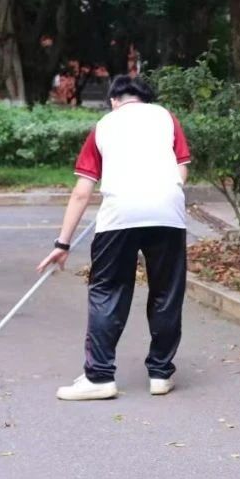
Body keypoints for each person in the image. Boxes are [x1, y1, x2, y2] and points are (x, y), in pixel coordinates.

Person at [37, 75, 191, 401]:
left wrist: (62, 244)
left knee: (107, 291)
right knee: (166, 291)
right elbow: (181, 169)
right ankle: (161, 374)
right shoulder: (166, 118)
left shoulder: (104, 125)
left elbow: (82, 191)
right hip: (168, 212)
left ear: (113, 100)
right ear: (146, 99)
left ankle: (99, 377)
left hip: (119, 215)